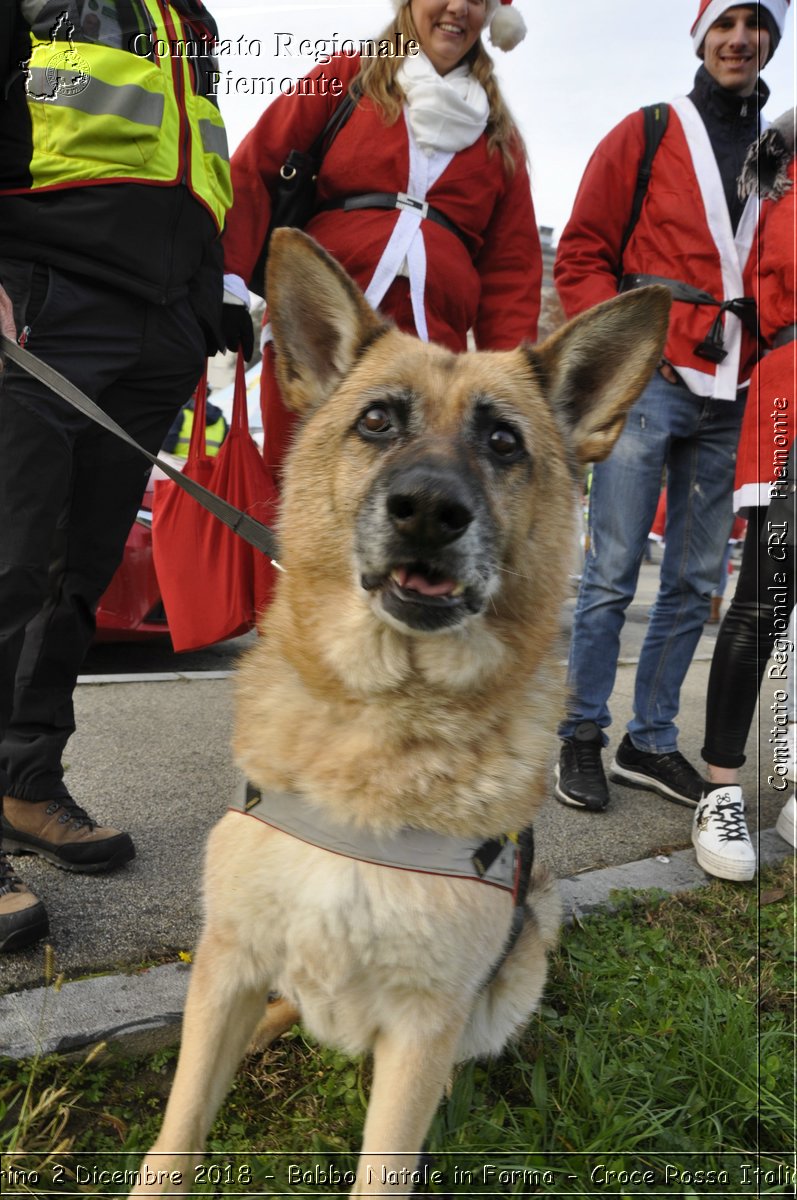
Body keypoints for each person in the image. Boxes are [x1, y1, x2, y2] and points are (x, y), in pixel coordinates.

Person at [0, 0, 232, 953]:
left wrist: (217, 296)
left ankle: (23, 780)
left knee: (74, 573)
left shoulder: (193, 19)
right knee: (6, 562)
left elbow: (196, 160)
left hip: (161, 317)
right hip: (42, 290)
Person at [552, 0, 788, 815]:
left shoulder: (779, 156)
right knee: (612, 573)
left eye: (757, 27)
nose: (738, 40)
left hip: (735, 391)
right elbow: (582, 250)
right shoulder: (647, 130)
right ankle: (579, 732)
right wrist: (628, 351)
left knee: (693, 581)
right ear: (700, 34)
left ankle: (646, 741)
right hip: (651, 380)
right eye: (725, 23)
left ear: (771, 43)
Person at [221, 0, 541, 483]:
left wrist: (516, 383)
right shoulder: (345, 77)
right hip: (320, 334)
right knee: (294, 492)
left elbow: (511, 272)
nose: (458, 8)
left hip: (433, 359)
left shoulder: (500, 137)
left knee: (408, 493)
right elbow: (255, 169)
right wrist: (226, 280)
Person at [697, 107, 796, 879]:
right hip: (790, 394)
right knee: (765, 600)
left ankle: (792, 785)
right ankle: (721, 786)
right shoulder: (778, 196)